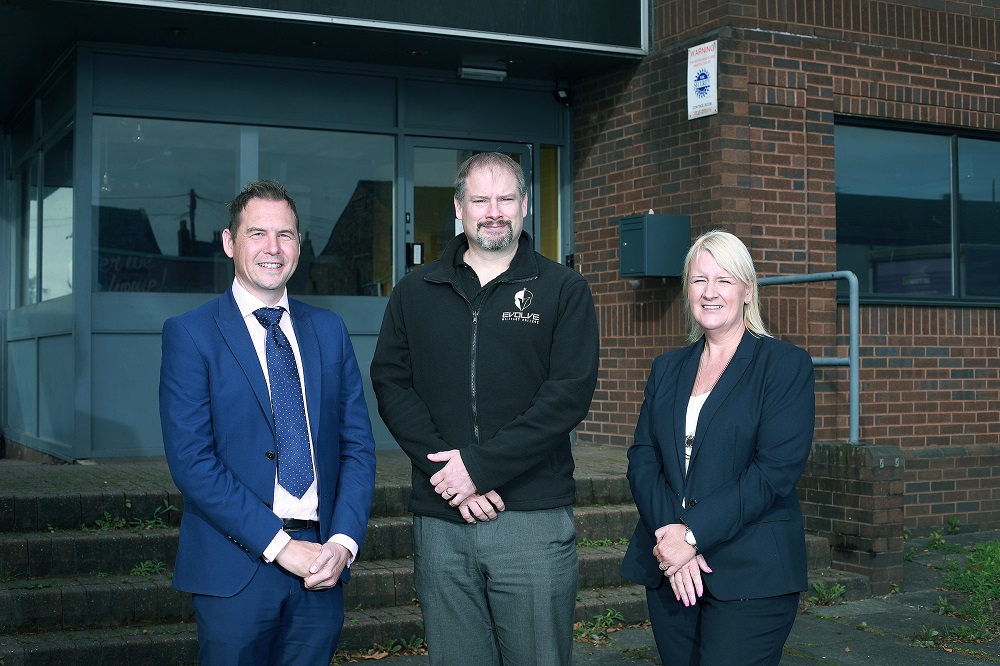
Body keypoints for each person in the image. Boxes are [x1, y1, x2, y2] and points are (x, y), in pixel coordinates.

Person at [370, 152, 599, 666]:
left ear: (525, 206)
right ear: (459, 207)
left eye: (505, 199)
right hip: (442, 521)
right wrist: (450, 473)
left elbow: (567, 395)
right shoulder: (414, 292)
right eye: (480, 200)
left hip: (531, 520)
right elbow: (391, 383)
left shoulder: (564, 290)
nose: (493, 211)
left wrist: (480, 468)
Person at [159, 179, 377, 665]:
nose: (273, 249)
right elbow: (193, 463)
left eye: (286, 235)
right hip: (235, 566)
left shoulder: (329, 330)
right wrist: (280, 546)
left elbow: (357, 447)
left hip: (322, 564)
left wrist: (342, 542)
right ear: (229, 242)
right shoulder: (191, 334)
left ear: (300, 244)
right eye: (257, 233)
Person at [620, 230, 815, 665]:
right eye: (698, 280)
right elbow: (643, 457)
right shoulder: (668, 368)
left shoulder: (783, 366)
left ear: (747, 290)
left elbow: (774, 471)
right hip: (671, 567)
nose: (710, 293)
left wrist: (692, 535)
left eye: (724, 280)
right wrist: (671, 535)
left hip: (751, 571)